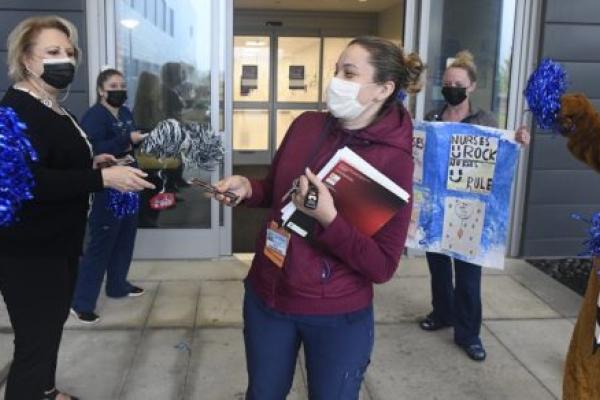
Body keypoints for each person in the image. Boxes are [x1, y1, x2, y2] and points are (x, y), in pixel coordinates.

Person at [213, 36, 424, 399]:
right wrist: (248, 188)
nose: (335, 80)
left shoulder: (394, 161)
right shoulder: (307, 125)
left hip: (336, 313)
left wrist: (329, 219)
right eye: (336, 70)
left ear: (383, 89)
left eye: (349, 72)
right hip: (268, 296)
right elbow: (276, 190)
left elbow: (382, 266)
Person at [0, 16, 154, 400]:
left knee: (50, 329)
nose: (64, 59)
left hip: (61, 243)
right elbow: (27, 183)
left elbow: (58, 164)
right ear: (26, 58)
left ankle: (47, 391)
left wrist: (95, 163)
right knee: (35, 342)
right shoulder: (13, 111)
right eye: (52, 52)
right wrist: (101, 180)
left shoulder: (54, 107)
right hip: (29, 251)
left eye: (69, 52)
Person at [419, 50, 530, 362]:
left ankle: (469, 334)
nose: (451, 87)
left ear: (471, 87)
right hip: (437, 209)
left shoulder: (486, 121)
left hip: (471, 211)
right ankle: (442, 313)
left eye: (458, 83)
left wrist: (517, 140)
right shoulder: (432, 118)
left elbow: (501, 157)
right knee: (438, 269)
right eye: (447, 82)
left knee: (468, 277)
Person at [70, 68, 148, 324]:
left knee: (125, 236)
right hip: (108, 186)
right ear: (102, 90)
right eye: (113, 85)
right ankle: (81, 303)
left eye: (122, 85)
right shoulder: (94, 117)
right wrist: (126, 140)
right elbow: (89, 149)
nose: (119, 90)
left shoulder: (125, 112)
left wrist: (136, 140)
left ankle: (117, 285)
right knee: (101, 244)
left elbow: (129, 141)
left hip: (129, 182)